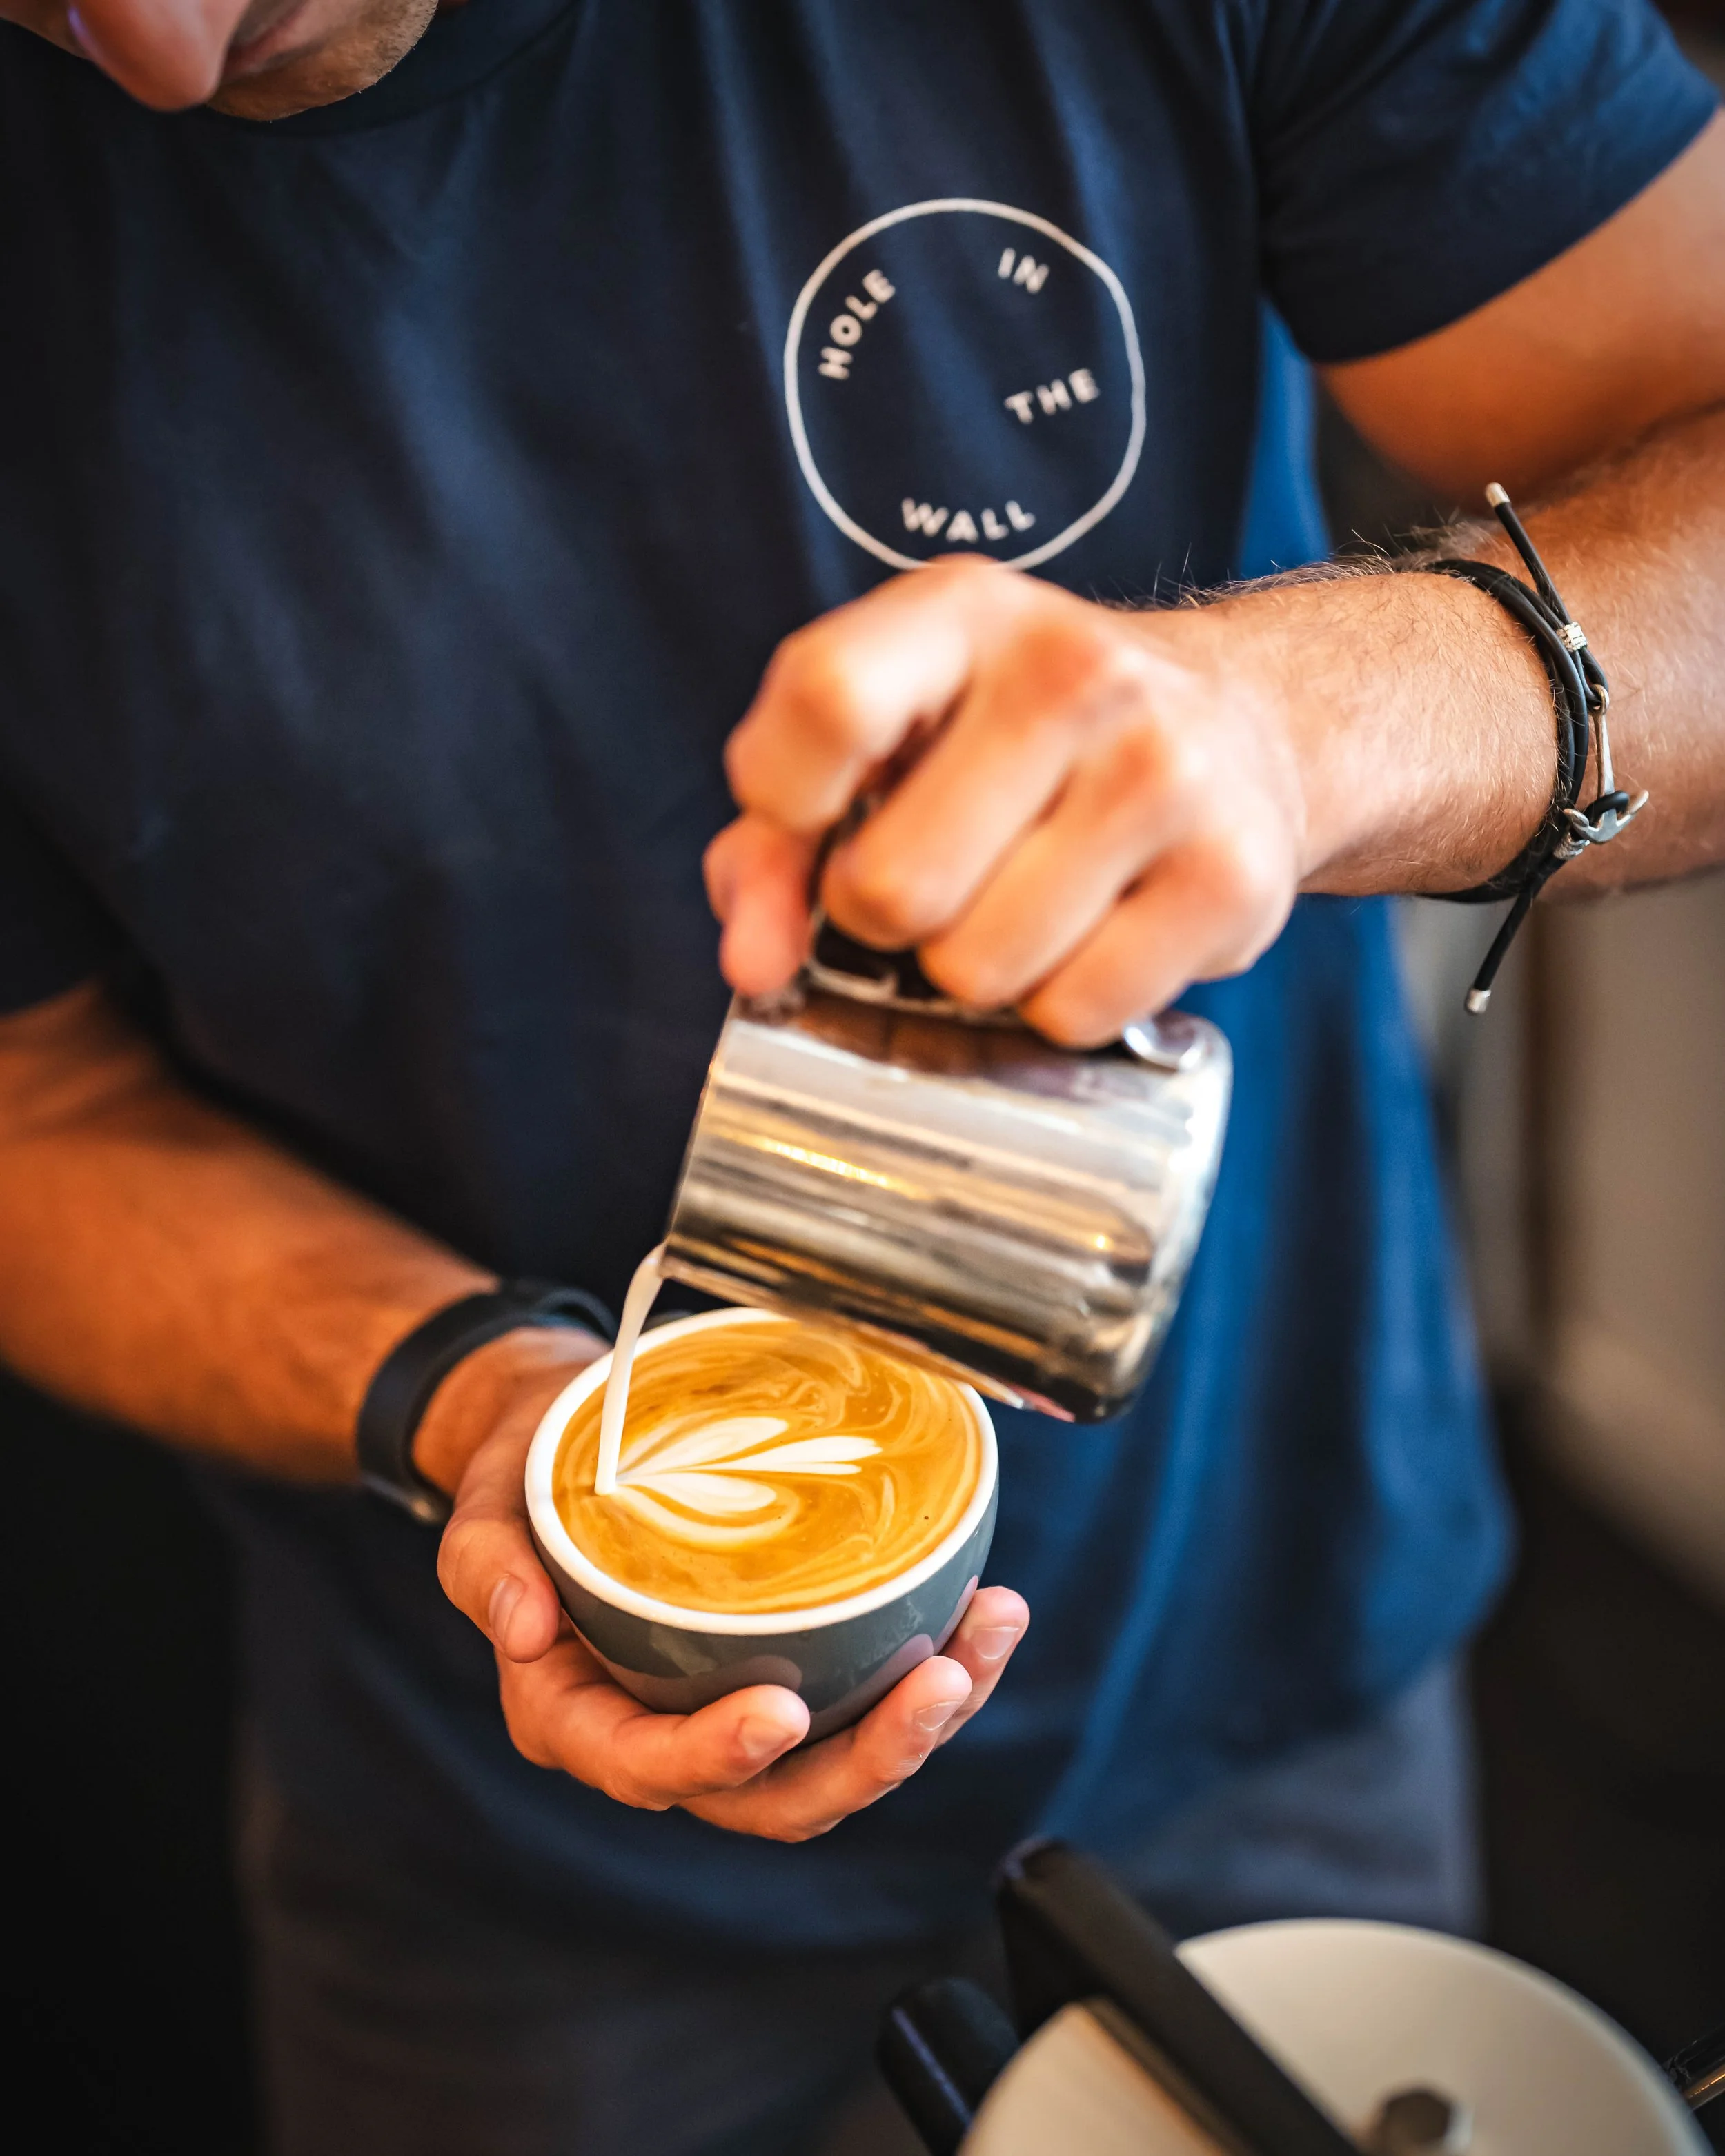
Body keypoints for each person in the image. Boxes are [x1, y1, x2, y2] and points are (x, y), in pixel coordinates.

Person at [1, 0, 1722, 2148]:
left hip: (1259, 1677)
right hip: (479, 1867)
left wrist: (1314, 724)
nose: (151, 59)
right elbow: (31, 1111)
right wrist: (475, 1400)